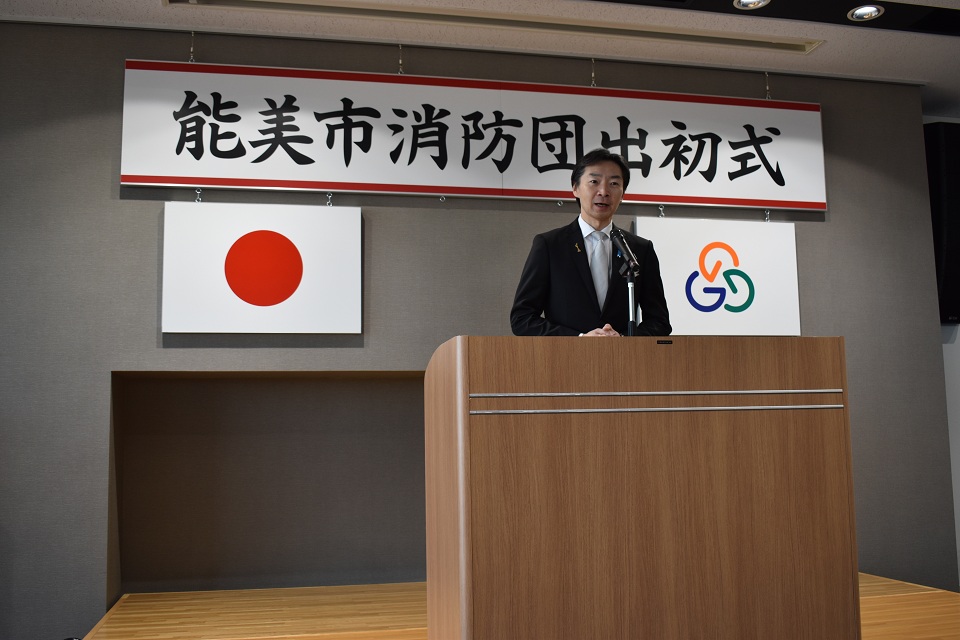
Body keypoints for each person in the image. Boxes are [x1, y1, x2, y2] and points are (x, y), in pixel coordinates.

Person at [510, 148, 671, 337]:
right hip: (566, 355)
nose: (604, 192)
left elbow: (659, 322)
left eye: (614, 184)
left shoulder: (640, 249)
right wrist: (579, 340)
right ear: (575, 188)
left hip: (622, 355)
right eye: (594, 182)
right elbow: (522, 318)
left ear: (622, 194)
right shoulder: (550, 245)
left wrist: (624, 340)